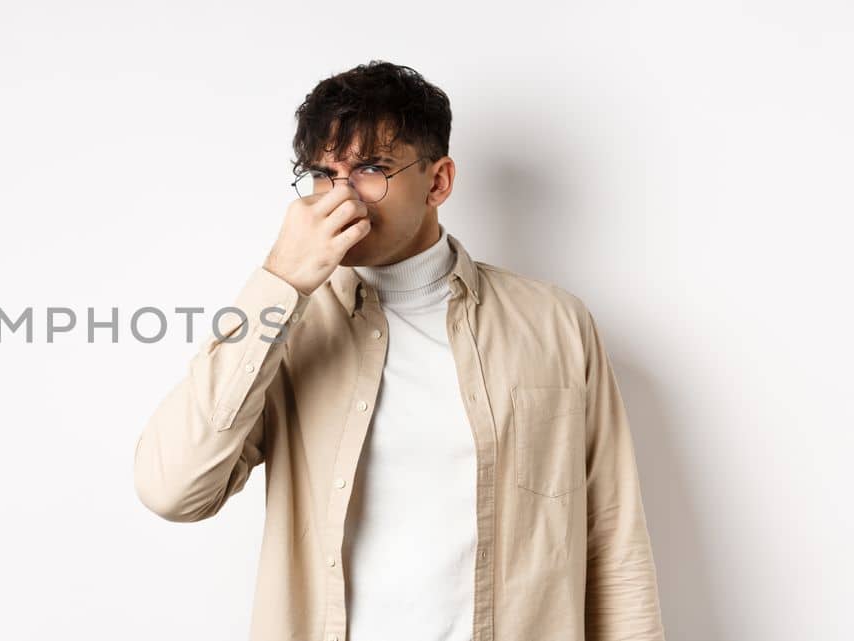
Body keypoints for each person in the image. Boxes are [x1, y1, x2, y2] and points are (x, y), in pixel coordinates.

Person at [131, 61, 667, 641]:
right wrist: (281, 281)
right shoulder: (284, 328)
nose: (341, 199)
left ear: (438, 182)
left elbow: (613, 543)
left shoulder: (555, 322)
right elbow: (173, 491)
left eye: (369, 169)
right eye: (321, 175)